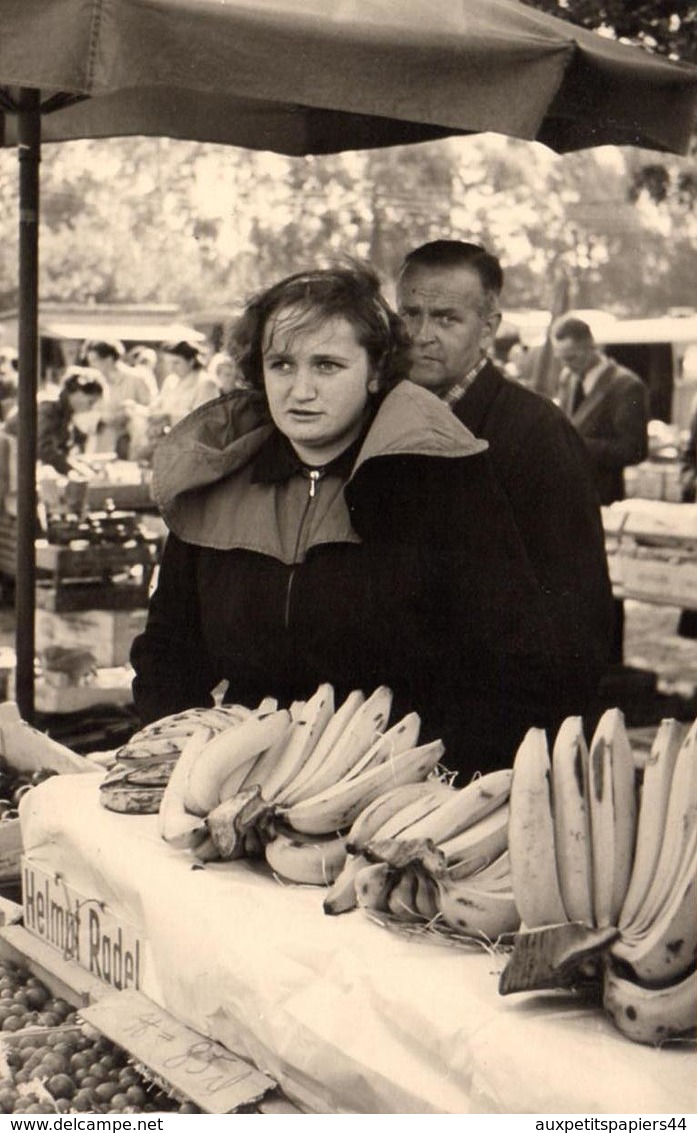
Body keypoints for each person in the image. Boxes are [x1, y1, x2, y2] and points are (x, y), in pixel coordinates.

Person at [131, 263, 568, 780]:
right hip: (238, 782)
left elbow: (513, 660)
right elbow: (168, 651)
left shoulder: (443, 480)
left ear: (376, 371)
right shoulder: (218, 480)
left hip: (395, 790)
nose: (301, 390)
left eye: (328, 366)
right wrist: (184, 766)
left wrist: (437, 782)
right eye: (282, 364)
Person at [395, 240, 614, 728]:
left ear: (489, 328)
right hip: (394, 721)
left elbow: (578, 615)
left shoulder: (537, 432)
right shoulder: (384, 418)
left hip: (493, 725)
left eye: (446, 319)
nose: (421, 335)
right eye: (409, 314)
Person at [551, 314, 649, 664]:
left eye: (574, 358)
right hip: (570, 499)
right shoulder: (567, 379)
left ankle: (610, 663)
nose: (569, 366)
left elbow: (635, 449)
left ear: (592, 348)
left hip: (605, 499)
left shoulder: (626, 386)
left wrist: (575, 443)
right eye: (562, 359)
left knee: (608, 584)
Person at [5, 366, 103, 476]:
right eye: (90, 402)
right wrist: (73, 469)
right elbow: (43, 448)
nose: (90, 408)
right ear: (77, 392)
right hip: (8, 459)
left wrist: (81, 464)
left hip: (18, 459)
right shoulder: (49, 407)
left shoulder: (64, 411)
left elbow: (64, 448)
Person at [83, 338, 153, 457]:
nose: (92, 365)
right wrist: (101, 419)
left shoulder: (137, 379)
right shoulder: (89, 381)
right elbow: (81, 412)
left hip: (130, 442)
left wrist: (131, 413)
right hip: (100, 444)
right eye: (90, 361)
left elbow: (150, 410)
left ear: (109, 359)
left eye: (95, 360)